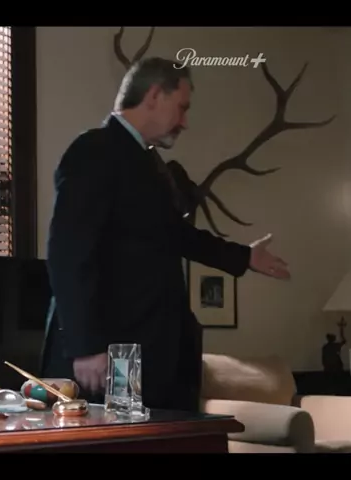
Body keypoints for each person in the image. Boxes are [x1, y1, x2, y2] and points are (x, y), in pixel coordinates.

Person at [40, 57, 290, 413]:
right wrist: (85, 346)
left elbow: (175, 235)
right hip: (111, 353)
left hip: (152, 352)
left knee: (153, 438)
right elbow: (67, 252)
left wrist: (244, 256)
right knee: (119, 439)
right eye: (182, 108)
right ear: (155, 95)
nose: (185, 122)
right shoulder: (94, 150)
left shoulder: (148, 163)